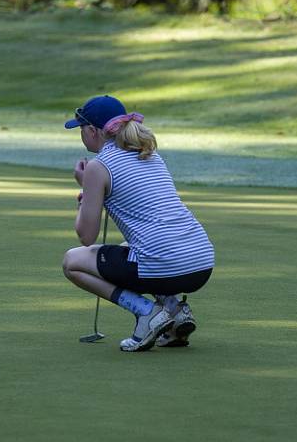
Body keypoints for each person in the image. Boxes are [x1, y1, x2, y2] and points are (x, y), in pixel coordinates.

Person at [61, 95, 215, 352]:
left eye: (80, 129)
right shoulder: (150, 154)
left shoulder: (97, 167)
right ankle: (175, 312)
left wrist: (87, 190)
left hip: (166, 265)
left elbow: (86, 236)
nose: (81, 134)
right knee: (130, 247)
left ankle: (147, 312)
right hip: (201, 262)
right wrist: (89, 187)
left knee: (72, 262)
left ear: (92, 131)